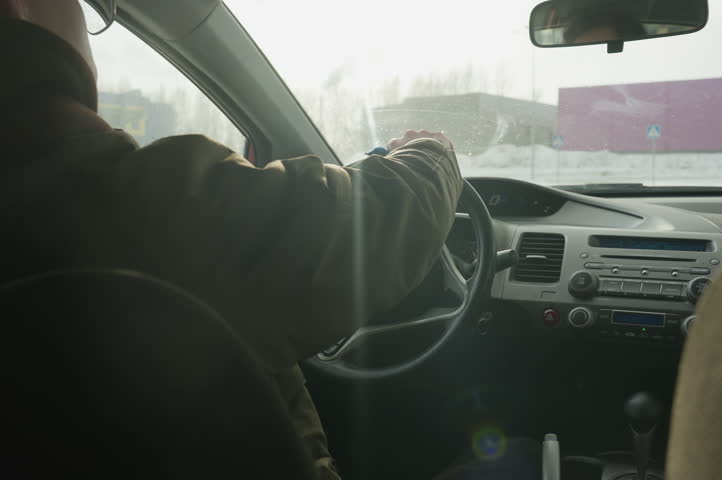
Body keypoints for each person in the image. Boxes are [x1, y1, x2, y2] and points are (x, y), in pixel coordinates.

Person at [0, 1, 463, 479]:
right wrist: (432, 152)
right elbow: (359, 227)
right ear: (20, 9)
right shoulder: (100, 197)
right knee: (523, 455)